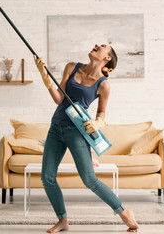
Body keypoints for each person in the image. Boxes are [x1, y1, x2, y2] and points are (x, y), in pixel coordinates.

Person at [33, 44, 139, 233]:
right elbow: (59, 99)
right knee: (47, 177)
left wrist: (99, 122)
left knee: (89, 179)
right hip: (56, 128)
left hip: (78, 132)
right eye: (97, 44)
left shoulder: (103, 84)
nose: (96, 46)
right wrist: (46, 78)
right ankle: (62, 220)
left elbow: (102, 112)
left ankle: (124, 212)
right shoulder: (71, 67)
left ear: (107, 58)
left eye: (102, 47)